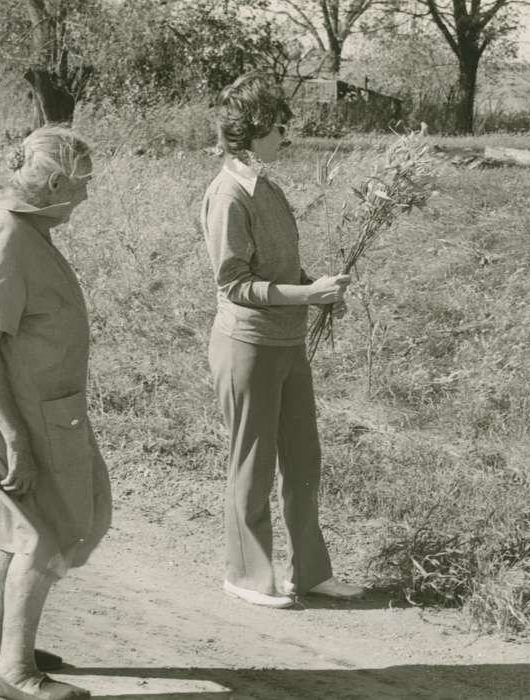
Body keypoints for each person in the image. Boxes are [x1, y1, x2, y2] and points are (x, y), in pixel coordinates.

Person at [0, 125, 111, 700]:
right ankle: (16, 671)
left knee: (14, 516)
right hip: (24, 403)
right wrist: (17, 437)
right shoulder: (6, 232)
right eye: (83, 184)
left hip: (20, 397)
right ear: (52, 182)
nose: (87, 196)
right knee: (52, 525)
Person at [197, 72, 364, 608]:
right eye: (279, 125)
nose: (288, 133)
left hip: (287, 343)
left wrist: (317, 288)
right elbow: (234, 284)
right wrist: (306, 295)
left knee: (303, 459)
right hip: (246, 345)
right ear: (250, 130)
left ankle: (310, 573)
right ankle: (245, 575)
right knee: (252, 461)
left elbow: (282, 267)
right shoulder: (226, 196)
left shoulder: (266, 185)